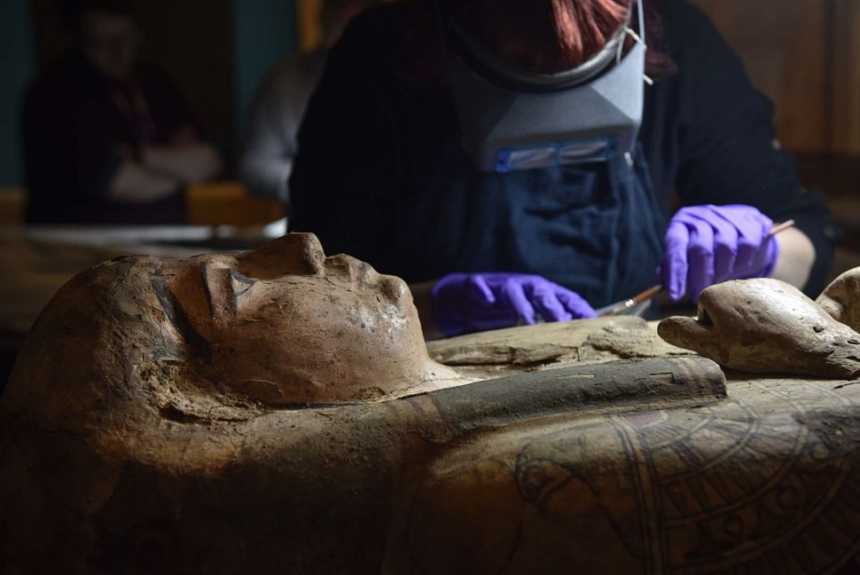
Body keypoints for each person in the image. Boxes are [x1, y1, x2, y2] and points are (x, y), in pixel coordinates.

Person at [289, 0, 836, 338]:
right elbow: (308, 300)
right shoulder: (380, 61)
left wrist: (759, 251)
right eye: (527, 63)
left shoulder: (680, 42)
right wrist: (432, 305)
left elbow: (806, 239)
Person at [22, 0, 222, 224]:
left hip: (163, 235)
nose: (116, 51)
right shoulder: (56, 92)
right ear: (78, 42)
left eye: (124, 38)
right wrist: (179, 173)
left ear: (138, 35)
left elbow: (207, 161)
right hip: (78, 240)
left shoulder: (155, 82)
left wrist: (137, 155)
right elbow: (112, 181)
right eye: (100, 42)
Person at [239, 0, 379, 204]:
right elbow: (255, 167)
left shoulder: (402, 80)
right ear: (323, 20)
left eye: (357, 19)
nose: (347, 29)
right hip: (307, 217)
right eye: (340, 17)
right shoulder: (285, 79)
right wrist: (324, 183)